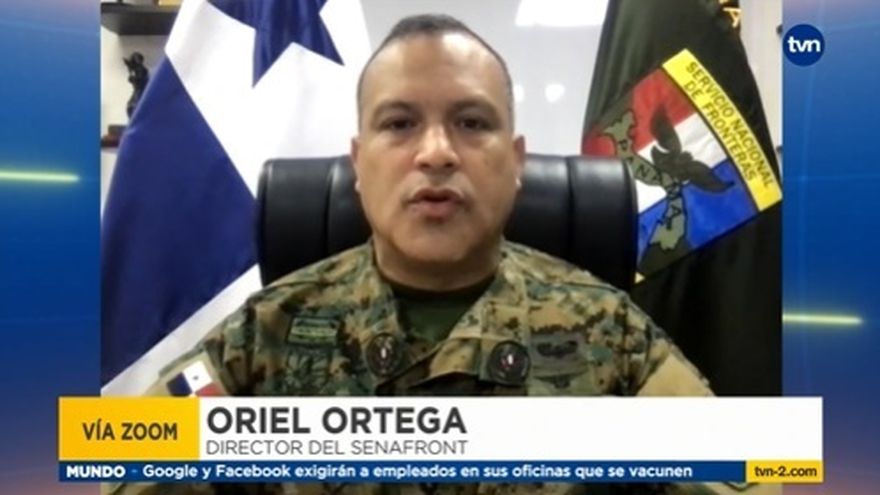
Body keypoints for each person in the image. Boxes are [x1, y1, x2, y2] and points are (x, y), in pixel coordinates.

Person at [109, 14, 777, 495]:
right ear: (358, 164)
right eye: (399, 124)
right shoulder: (265, 334)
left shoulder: (610, 333)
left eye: (471, 122)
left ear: (516, 163)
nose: (435, 152)